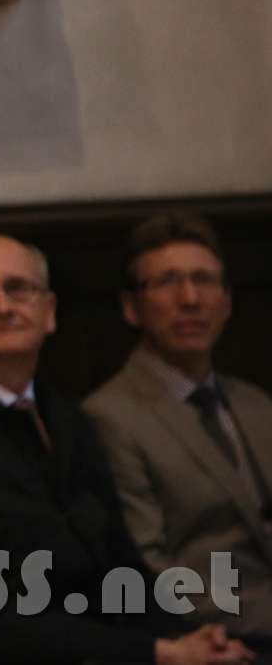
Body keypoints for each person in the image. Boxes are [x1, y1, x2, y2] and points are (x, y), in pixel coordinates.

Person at [0, 230, 253, 665]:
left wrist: (193, 638)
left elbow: (121, 567)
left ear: (49, 312)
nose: (2, 306)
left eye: (19, 288)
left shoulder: (67, 418)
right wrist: (160, 652)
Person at [86, 213, 272, 652]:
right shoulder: (109, 415)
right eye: (168, 282)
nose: (190, 299)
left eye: (203, 280)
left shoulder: (256, 403)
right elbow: (151, 569)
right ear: (132, 307)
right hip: (214, 634)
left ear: (226, 302)